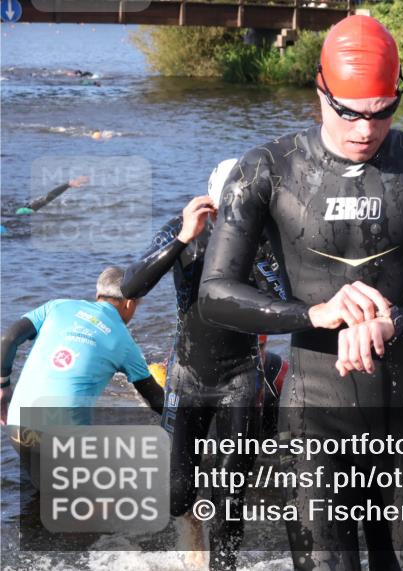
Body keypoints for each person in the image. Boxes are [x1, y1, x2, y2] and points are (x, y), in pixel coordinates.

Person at [198, 14, 403, 571]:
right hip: (314, 416)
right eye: (349, 112)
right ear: (321, 90)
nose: (365, 129)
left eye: (382, 112)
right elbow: (215, 293)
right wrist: (317, 312)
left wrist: (396, 321)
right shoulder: (267, 169)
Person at [120, 160, 287, 571]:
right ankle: (193, 537)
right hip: (188, 375)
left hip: (241, 377)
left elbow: (285, 296)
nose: (236, 211)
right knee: (179, 496)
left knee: (230, 497)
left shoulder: (264, 235)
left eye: (246, 203)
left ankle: (222, 565)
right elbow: (130, 285)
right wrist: (181, 238)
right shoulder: (184, 225)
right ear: (212, 197)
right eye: (228, 202)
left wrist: (257, 245)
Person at [0, 267, 164, 486]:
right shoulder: (124, 342)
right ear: (129, 303)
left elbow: (9, 339)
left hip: (17, 425)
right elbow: (156, 400)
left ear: (97, 296)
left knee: (47, 492)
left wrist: (3, 386)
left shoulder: (57, 306)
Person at [0, 175, 89, 236]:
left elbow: (44, 200)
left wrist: (67, 185)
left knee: (23, 211)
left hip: (18, 219)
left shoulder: (20, 214)